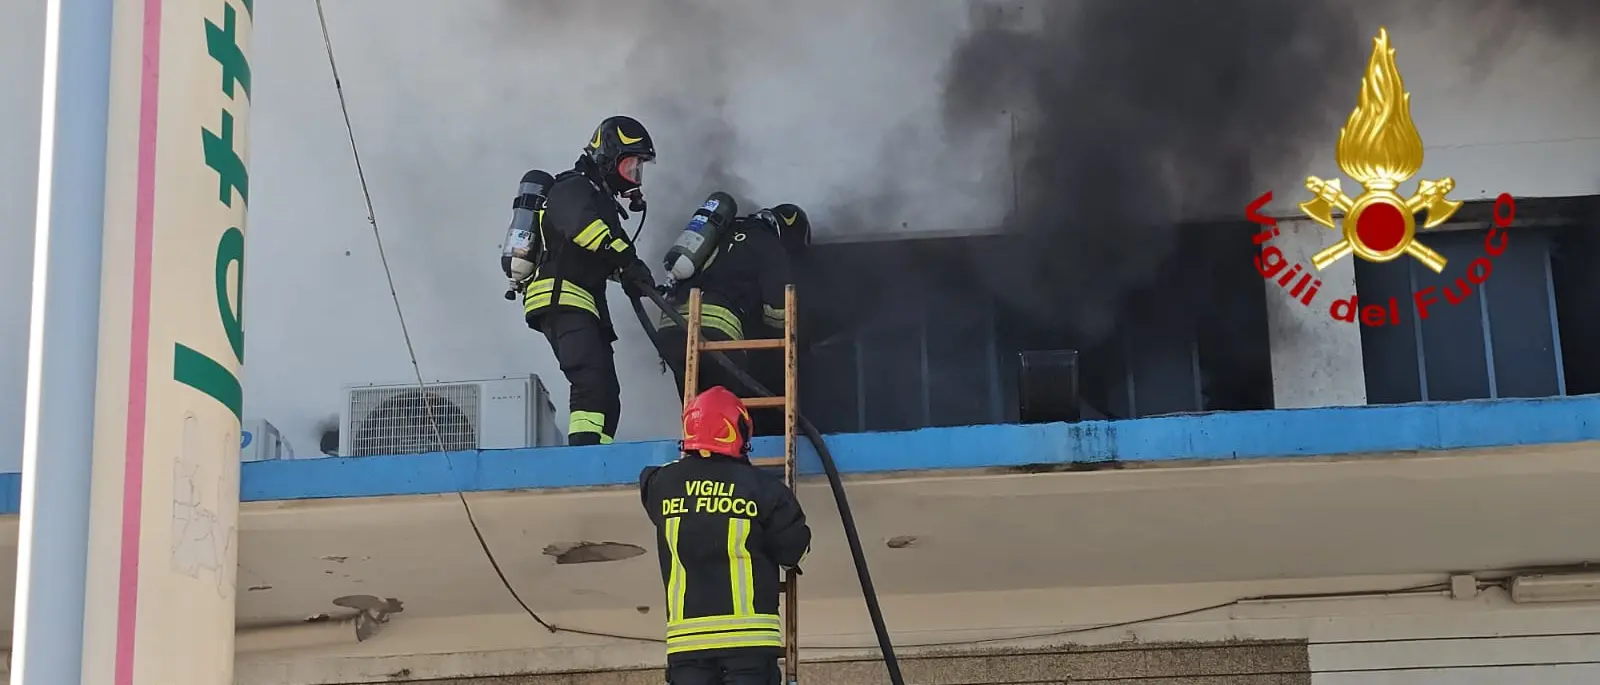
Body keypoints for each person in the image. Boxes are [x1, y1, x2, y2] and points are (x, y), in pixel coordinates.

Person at [639, 386, 812, 685]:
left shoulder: (661, 484)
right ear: (738, 431)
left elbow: (650, 479)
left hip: (687, 645)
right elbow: (794, 552)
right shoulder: (764, 489)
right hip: (749, 645)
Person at [523, 115, 657, 445]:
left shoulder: (600, 199)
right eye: (630, 165)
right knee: (590, 382)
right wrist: (626, 260)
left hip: (584, 302)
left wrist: (633, 274)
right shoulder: (573, 187)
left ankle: (601, 456)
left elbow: (607, 252)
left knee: (608, 395)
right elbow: (586, 230)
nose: (634, 175)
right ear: (608, 157)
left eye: (638, 168)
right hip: (560, 297)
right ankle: (583, 460)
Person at [657, 203, 812, 403]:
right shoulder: (767, 242)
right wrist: (794, 339)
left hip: (671, 326)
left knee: (695, 403)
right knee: (726, 403)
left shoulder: (721, 232)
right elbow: (779, 308)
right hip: (715, 329)